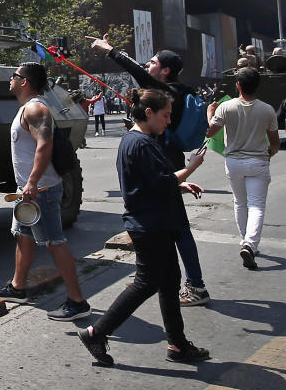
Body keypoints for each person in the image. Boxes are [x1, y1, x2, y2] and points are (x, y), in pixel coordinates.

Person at [77, 89, 210, 366]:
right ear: (148, 113)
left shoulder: (138, 140)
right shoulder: (141, 143)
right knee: (146, 282)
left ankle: (177, 344)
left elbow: (150, 181)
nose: (168, 121)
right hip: (150, 225)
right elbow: (160, 182)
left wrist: (180, 183)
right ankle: (96, 332)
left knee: (170, 281)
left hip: (155, 220)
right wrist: (191, 168)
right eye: (165, 115)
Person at [87, 34, 210, 306]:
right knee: (164, 224)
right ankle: (155, 276)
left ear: (165, 70)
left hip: (162, 161)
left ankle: (195, 286)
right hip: (167, 158)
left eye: (153, 62)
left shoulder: (170, 91)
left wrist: (110, 51)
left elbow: (137, 73)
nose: (148, 64)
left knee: (173, 226)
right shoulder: (180, 92)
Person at [0, 63, 91, 322]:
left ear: (24, 81)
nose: (10, 79)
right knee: (23, 237)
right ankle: (18, 287)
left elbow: (44, 145)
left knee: (55, 242)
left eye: (14, 76)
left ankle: (77, 301)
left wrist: (33, 182)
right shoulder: (27, 108)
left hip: (40, 191)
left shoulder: (36, 108)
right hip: (28, 192)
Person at [205, 68, 280, 270]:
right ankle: (250, 243)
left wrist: (209, 113)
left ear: (238, 85)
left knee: (240, 203)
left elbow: (211, 132)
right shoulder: (267, 110)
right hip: (258, 161)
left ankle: (245, 240)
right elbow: (275, 142)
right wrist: (269, 154)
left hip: (234, 162)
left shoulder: (225, 107)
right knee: (256, 205)